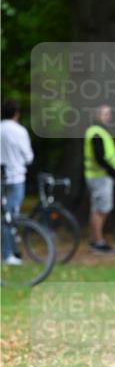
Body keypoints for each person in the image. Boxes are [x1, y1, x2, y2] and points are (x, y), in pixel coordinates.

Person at [0, 98, 33, 263]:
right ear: (17, 114)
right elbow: (28, 157)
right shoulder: (20, 131)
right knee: (11, 216)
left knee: (5, 215)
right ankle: (8, 253)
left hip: (1, 176)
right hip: (16, 177)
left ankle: (10, 250)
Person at [84, 104, 115, 252]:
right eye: (104, 114)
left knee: (97, 209)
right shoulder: (97, 132)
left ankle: (96, 240)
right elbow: (99, 156)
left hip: (97, 176)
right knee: (101, 210)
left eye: (109, 114)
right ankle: (98, 241)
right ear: (96, 115)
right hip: (100, 176)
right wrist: (111, 171)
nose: (107, 116)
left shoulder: (97, 131)